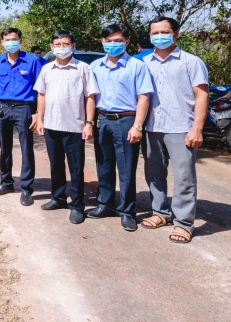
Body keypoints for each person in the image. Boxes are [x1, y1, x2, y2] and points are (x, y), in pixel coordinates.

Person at [141, 16, 209, 244]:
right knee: (154, 174)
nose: (158, 36)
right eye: (154, 33)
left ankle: (184, 223)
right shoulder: (145, 62)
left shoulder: (191, 62)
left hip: (181, 127)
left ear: (176, 34)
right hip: (152, 127)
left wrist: (197, 128)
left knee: (184, 177)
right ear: (150, 36)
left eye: (164, 32)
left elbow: (202, 96)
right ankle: (160, 212)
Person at [89, 24, 153, 232]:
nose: (113, 44)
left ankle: (127, 211)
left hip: (127, 121)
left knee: (126, 168)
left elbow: (144, 97)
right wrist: (90, 122)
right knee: (104, 165)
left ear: (126, 42)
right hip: (102, 120)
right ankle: (105, 204)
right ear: (102, 42)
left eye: (118, 40)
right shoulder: (96, 66)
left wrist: (137, 126)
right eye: (109, 41)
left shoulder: (137, 66)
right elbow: (90, 97)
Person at [31, 30, 98, 224]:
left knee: (76, 168)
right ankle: (58, 198)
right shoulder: (47, 69)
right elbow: (41, 95)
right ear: (51, 47)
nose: (61, 48)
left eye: (65, 44)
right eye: (57, 45)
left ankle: (77, 205)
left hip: (75, 126)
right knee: (56, 165)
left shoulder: (83, 68)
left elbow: (90, 97)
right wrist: (40, 119)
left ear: (73, 46)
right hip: (52, 125)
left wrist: (89, 123)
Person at [0, 27, 43, 205]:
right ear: (2, 42)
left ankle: (26, 188)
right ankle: (6, 183)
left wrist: (37, 113)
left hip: (24, 108)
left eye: (14, 39)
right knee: (4, 148)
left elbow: (41, 89)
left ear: (20, 40)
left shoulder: (32, 61)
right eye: (7, 39)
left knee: (26, 149)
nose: (11, 42)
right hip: (2, 108)